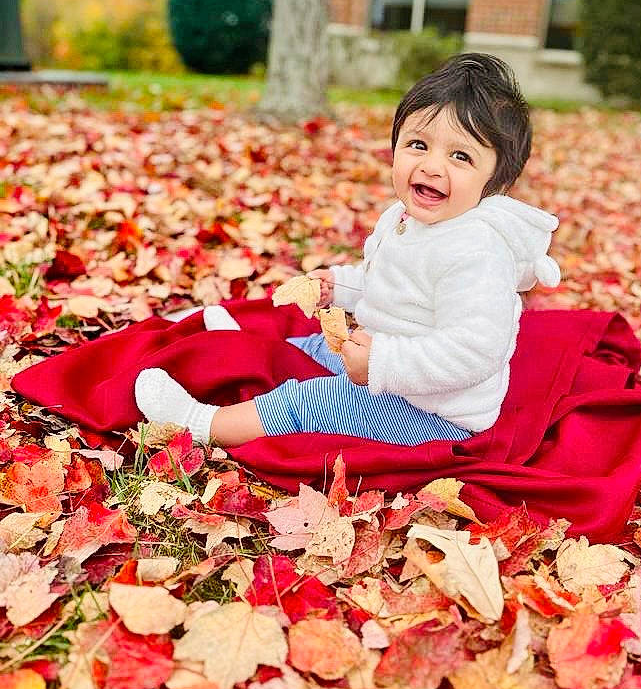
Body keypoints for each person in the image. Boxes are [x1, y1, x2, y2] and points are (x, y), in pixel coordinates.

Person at [134, 53, 561, 448]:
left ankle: (202, 425)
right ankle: (244, 351)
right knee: (309, 349)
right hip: (384, 361)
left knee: (313, 402)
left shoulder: (477, 254)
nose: (432, 166)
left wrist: (383, 362)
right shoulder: (407, 218)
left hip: (433, 411)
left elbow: (472, 352)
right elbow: (393, 285)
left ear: (495, 182)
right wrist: (340, 287)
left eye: (460, 156)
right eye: (418, 145)